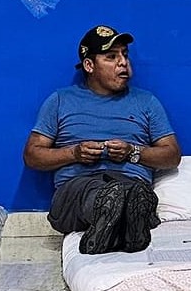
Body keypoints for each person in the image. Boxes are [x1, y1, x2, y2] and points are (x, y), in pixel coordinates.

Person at [23, 25, 181, 255]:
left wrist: (133, 152)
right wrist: (74, 153)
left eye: (125, 55)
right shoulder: (60, 100)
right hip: (77, 185)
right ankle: (119, 218)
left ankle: (122, 220)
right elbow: (32, 155)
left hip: (130, 180)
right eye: (111, 57)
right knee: (102, 193)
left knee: (132, 192)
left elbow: (172, 155)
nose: (123, 63)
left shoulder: (146, 102)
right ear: (89, 65)